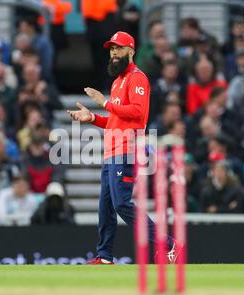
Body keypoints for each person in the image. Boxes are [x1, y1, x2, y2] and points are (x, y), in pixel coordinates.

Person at [68, 31, 177, 265]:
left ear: (131, 51)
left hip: (128, 150)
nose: (114, 53)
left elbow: (137, 112)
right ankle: (105, 256)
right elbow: (116, 121)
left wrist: (104, 103)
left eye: (119, 48)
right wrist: (92, 119)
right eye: (111, 49)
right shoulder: (117, 82)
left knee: (121, 203)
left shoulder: (137, 78)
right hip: (113, 151)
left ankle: (168, 244)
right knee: (105, 206)